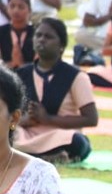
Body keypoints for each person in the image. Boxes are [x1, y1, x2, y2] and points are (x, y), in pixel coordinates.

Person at [13, 19, 97, 164]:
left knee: (79, 143)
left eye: (48, 37)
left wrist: (48, 119)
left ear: (62, 46)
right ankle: (43, 158)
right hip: (25, 134)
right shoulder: (21, 74)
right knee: (11, 134)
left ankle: (29, 157)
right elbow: (6, 112)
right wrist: (23, 121)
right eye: (38, 35)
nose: (41, 40)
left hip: (57, 135)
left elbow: (91, 119)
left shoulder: (76, 77)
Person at [0, 0, 34, 69]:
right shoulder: (2, 31)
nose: (16, 10)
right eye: (12, 6)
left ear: (29, 10)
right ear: (7, 9)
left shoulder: (37, 33)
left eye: (21, 7)